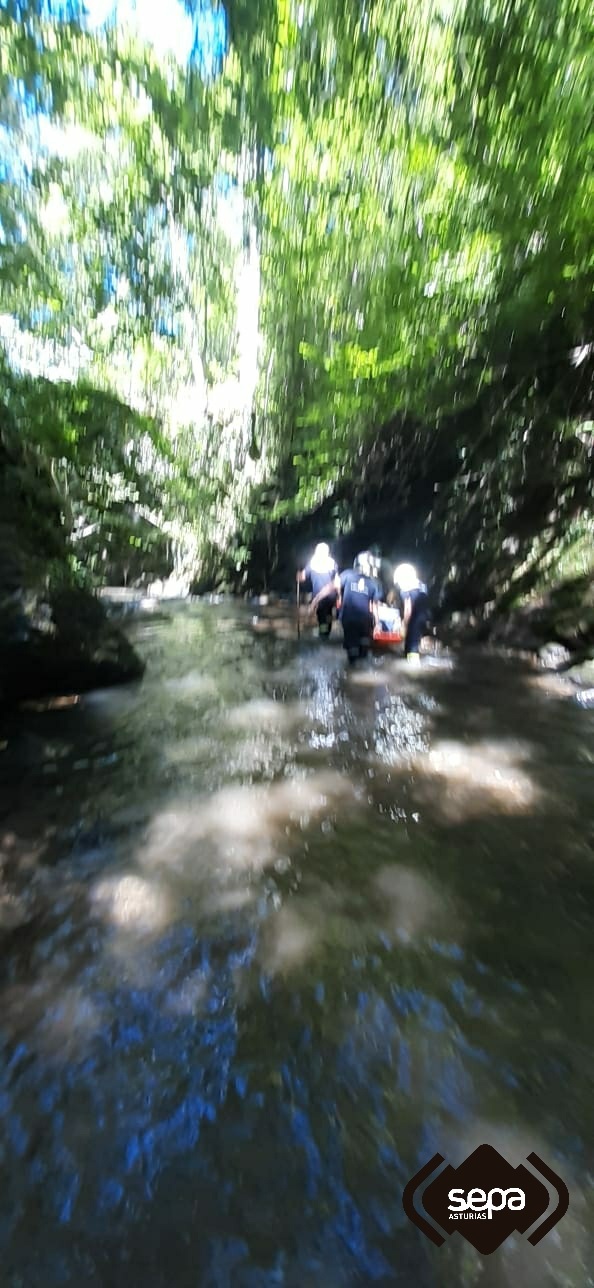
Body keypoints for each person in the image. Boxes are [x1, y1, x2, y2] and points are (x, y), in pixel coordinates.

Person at [338, 551, 379, 662]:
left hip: (349, 618)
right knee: (364, 648)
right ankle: (362, 670)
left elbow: (335, 586)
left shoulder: (347, 575)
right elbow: (373, 607)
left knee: (352, 651)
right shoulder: (373, 584)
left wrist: (339, 597)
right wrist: (377, 624)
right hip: (365, 621)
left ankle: (352, 670)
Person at [298, 542, 339, 637]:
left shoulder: (313, 562)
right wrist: (339, 595)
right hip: (331, 595)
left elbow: (303, 576)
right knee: (327, 615)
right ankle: (325, 632)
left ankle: (323, 635)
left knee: (322, 617)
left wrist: (299, 576)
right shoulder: (332, 562)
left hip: (319, 596)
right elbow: (337, 580)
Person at [393, 563, 430, 663]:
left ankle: (413, 670)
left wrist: (404, 624)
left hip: (414, 620)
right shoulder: (422, 585)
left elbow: (408, 608)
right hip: (424, 618)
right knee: (413, 645)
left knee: (412, 648)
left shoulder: (406, 587)